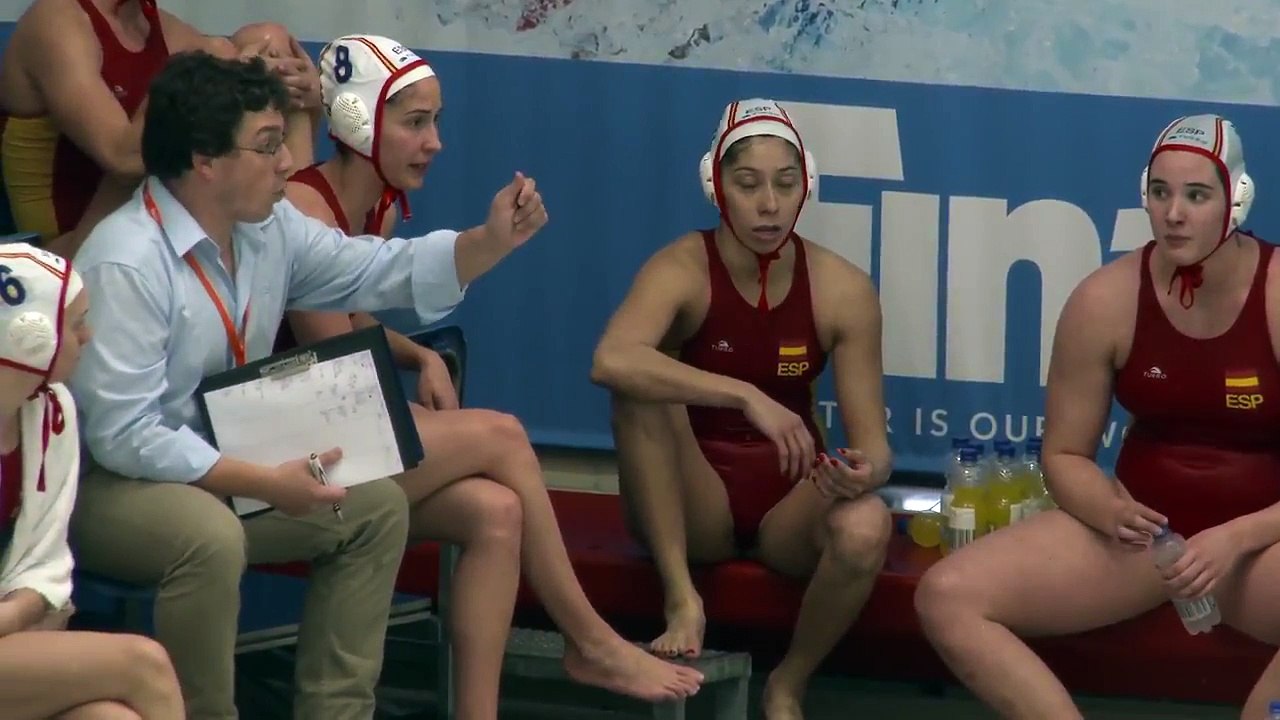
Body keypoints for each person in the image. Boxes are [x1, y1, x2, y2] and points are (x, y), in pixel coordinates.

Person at [63, 50, 546, 720]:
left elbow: (374, 270)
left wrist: (487, 244)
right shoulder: (126, 260)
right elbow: (123, 436)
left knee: (375, 512)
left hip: (226, 466)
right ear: (205, 160)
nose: (289, 161)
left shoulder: (268, 227)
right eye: (267, 146)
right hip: (113, 487)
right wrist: (261, 482)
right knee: (209, 536)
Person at [279, 35, 705, 718]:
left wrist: (417, 357)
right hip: (283, 450)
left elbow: (350, 315)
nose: (436, 141)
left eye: (437, 121)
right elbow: (338, 386)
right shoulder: (303, 208)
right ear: (357, 121)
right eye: (416, 122)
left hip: (328, 437)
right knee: (503, 436)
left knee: (497, 512)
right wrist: (431, 419)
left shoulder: (375, 205)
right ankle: (591, 641)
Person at [914, 114, 1280, 719]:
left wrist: (1236, 537)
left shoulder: (1273, 295)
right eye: (1160, 193)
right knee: (946, 595)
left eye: (1196, 195)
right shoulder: (1105, 299)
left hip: (1259, 547)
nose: (1175, 213)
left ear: (1236, 200)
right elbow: (1063, 454)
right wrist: (1107, 509)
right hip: (1146, 540)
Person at [591, 98, 894, 719]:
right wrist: (744, 394)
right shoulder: (682, 267)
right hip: (692, 500)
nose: (768, 204)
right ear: (715, 186)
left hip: (791, 500)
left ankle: (789, 683)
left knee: (867, 525)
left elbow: (877, 447)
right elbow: (611, 359)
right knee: (640, 390)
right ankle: (682, 597)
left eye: (785, 185)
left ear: (806, 187)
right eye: (748, 184)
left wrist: (865, 473)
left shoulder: (843, 288)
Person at [0, 243, 185, 719]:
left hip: (15, 633)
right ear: (27, 336)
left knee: (112, 718)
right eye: (76, 322)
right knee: (145, 664)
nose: (90, 335)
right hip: (14, 633)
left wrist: (23, 611)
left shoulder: (52, 411)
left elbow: (45, 560)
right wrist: (23, 615)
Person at [0, 0, 322, 257]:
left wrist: (304, 95)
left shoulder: (155, 25)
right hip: (75, 246)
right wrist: (223, 79)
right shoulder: (56, 21)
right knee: (213, 78)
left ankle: (301, 246)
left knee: (268, 39)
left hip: (157, 221)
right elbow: (123, 158)